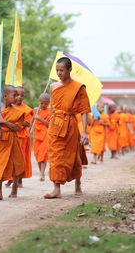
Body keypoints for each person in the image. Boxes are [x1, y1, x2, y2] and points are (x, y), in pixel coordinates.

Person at [44, 57, 91, 199]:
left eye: (62, 70)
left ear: (69, 70)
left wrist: (84, 132)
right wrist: (51, 123)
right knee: (55, 156)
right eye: (57, 70)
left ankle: (78, 183)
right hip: (55, 125)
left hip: (70, 124)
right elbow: (52, 107)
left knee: (73, 155)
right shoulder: (53, 87)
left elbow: (84, 111)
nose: (59, 73)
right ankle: (56, 188)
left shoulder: (78, 88)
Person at [0, 85, 25, 200]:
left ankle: (14, 186)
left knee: (15, 164)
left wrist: (4, 122)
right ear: (5, 96)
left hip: (12, 138)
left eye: (17, 95)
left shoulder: (17, 112)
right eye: (14, 95)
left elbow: (17, 128)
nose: (17, 98)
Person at [8, 86, 33, 188]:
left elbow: (27, 123)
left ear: (24, 97)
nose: (19, 97)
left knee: (20, 158)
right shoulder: (8, 107)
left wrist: (15, 120)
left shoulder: (27, 109)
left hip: (21, 137)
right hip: (10, 136)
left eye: (21, 95)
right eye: (17, 95)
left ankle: (19, 179)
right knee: (10, 158)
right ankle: (10, 178)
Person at [32, 93, 51, 181]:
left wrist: (40, 118)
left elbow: (49, 124)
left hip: (45, 135)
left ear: (49, 103)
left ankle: (42, 174)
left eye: (45, 103)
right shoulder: (36, 110)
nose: (43, 105)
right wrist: (34, 116)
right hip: (37, 135)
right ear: (39, 102)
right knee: (38, 155)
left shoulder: (50, 111)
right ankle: (41, 172)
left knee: (43, 156)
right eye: (42, 103)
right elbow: (31, 122)